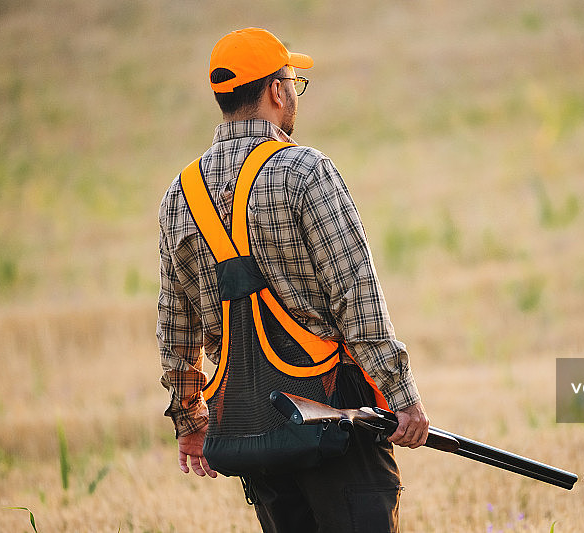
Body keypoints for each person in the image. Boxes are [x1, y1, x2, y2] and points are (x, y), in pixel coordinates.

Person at [157, 27, 428, 532]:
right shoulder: (305, 171)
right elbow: (356, 296)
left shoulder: (180, 194)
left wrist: (191, 418)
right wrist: (402, 395)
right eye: (292, 82)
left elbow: (176, 326)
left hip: (248, 421)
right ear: (277, 91)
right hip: (334, 413)